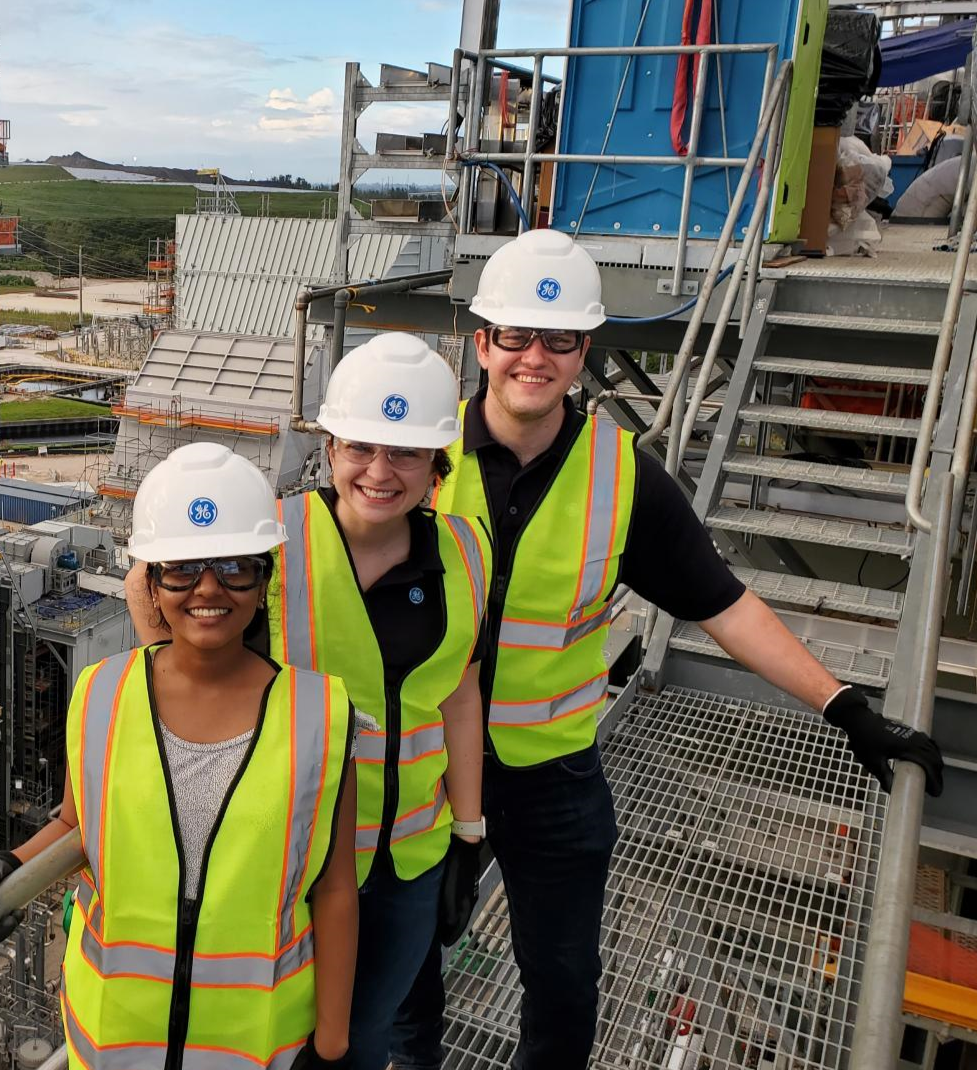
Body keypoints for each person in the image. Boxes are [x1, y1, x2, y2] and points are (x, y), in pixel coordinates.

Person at [389, 227, 947, 1070]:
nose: (533, 357)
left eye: (559, 339)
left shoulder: (622, 477)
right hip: (427, 766)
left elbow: (720, 603)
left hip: (552, 777)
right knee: (403, 973)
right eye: (514, 336)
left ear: (584, 349)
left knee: (566, 984)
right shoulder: (416, 461)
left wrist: (845, 708)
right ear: (482, 342)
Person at [128, 333, 490, 1070]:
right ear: (329, 447)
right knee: (279, 1041)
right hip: (289, 862)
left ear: (435, 465)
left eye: (405, 453)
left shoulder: (467, 550)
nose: (380, 472)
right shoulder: (271, 540)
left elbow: (458, 691)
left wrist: (469, 831)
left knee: (358, 1042)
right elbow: (151, 589)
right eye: (360, 447)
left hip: (408, 861)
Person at [0, 442, 360, 1070]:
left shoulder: (320, 715)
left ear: (264, 577)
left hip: (253, 1048)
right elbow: (76, 826)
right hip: (116, 1040)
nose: (208, 589)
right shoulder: (99, 694)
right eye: (182, 568)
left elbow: (334, 888)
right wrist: (8, 868)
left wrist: (333, 1044)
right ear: (149, 579)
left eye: (233, 566)